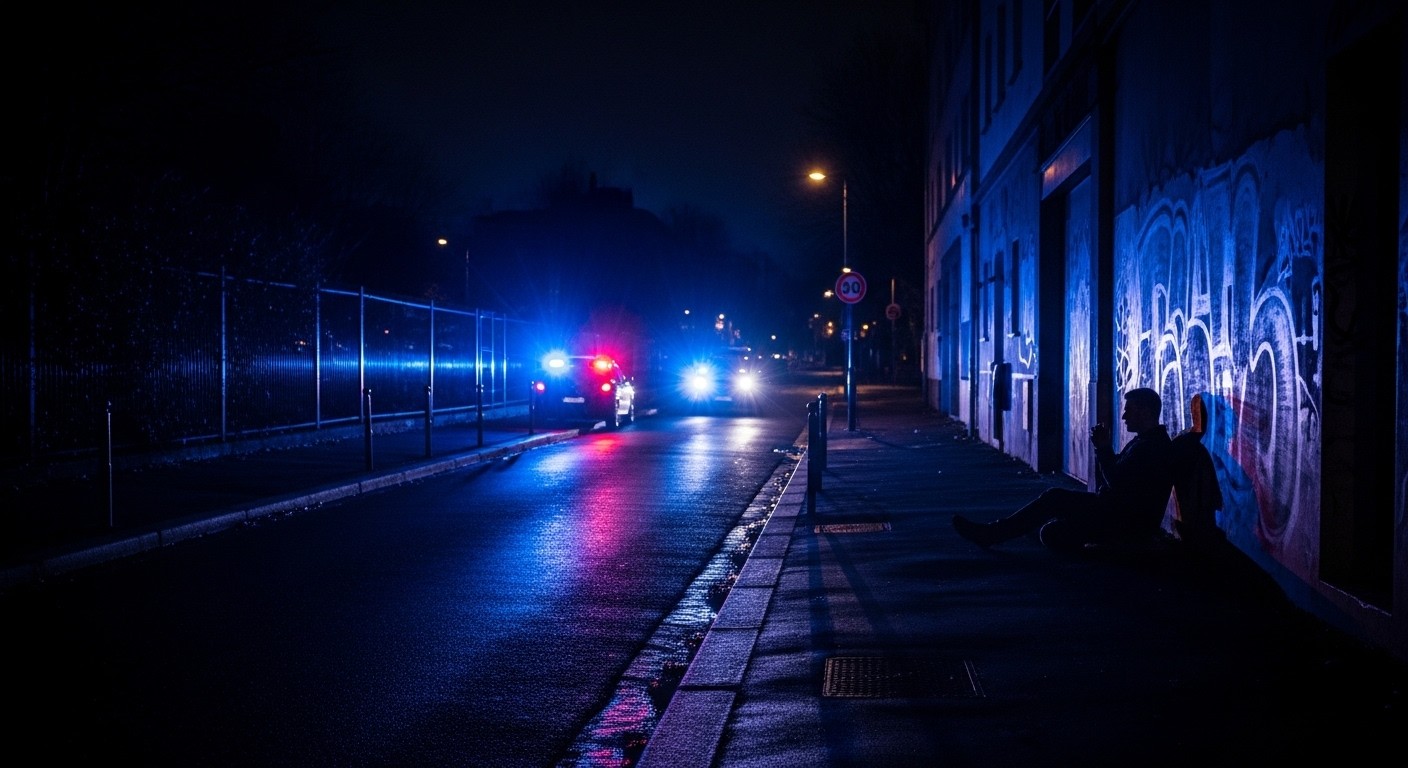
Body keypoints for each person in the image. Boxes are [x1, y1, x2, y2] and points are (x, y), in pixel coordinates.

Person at [952, 387, 1174, 552]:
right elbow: (1118, 478)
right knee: (1051, 529)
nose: (1124, 416)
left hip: (1124, 519)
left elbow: (1116, 482)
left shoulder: (1151, 446)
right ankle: (996, 532)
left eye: (1130, 411)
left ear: (1145, 412)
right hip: (1117, 512)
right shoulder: (1147, 442)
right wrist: (1103, 451)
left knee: (1054, 500)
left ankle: (991, 534)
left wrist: (1104, 449)